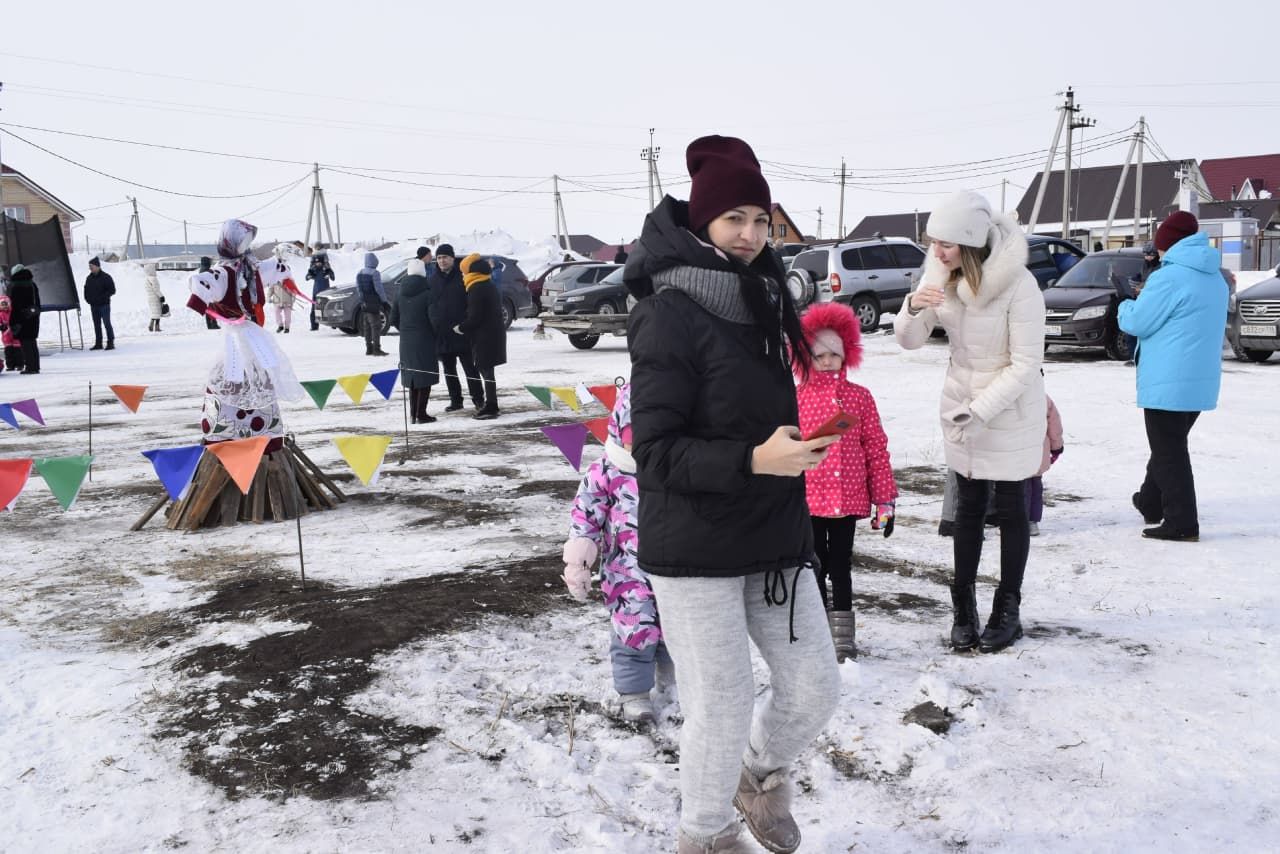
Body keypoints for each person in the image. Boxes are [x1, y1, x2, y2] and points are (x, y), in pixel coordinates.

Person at [625, 135, 842, 854]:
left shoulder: (767, 296)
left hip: (772, 527)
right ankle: (706, 833)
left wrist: (792, 452)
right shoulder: (669, 311)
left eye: (760, 219)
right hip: (692, 541)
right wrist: (755, 458)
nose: (750, 236)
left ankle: (757, 775)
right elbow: (652, 452)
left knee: (813, 687)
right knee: (720, 703)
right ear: (702, 225)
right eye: (733, 221)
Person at [894, 190, 1046, 655]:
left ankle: (1008, 607)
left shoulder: (1019, 286)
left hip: (1009, 412)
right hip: (962, 408)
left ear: (971, 242)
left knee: (1012, 507)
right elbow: (910, 341)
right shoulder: (940, 275)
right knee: (967, 508)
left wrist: (980, 410)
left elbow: (1025, 365)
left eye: (946, 244)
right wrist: (914, 306)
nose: (935, 253)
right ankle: (964, 607)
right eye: (932, 242)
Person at [562, 383, 675, 724]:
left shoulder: (677, 467)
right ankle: (634, 694)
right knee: (633, 632)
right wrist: (579, 561)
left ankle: (671, 682)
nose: (638, 445)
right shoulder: (607, 470)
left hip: (677, 569)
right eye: (632, 435)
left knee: (676, 630)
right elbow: (586, 517)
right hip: (627, 573)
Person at [795, 302, 898, 662]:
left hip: (847, 500)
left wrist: (885, 500)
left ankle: (842, 636)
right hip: (808, 501)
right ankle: (816, 631)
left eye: (834, 355)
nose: (826, 362)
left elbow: (876, 449)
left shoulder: (859, 398)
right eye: (819, 355)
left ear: (846, 355)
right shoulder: (796, 398)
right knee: (813, 565)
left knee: (841, 565)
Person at [1117, 210, 1227, 542]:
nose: (1157, 251)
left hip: (1168, 378)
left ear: (1170, 244)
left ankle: (1182, 523)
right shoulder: (1214, 276)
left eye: (1160, 245)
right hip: (1200, 380)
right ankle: (1150, 502)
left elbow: (1137, 323)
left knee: (1170, 450)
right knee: (1168, 445)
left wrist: (1125, 303)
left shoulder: (1168, 277)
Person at [187, 219, 302, 446]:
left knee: (259, 378)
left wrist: (281, 260)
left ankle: (264, 430)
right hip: (234, 338)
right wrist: (200, 297)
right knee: (232, 377)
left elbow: (272, 269)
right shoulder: (224, 273)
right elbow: (202, 283)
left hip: (253, 336)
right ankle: (227, 431)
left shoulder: (252, 268)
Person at [432, 245, 485, 413]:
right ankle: (456, 400)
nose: (442, 261)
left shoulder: (463, 278)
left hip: (462, 331)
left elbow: (472, 303)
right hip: (443, 333)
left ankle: (478, 399)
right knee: (449, 370)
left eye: (445, 257)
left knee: (470, 368)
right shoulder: (432, 280)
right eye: (439, 257)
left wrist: (467, 324)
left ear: (452, 258)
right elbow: (431, 305)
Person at [456, 254, 507, 420]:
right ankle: (491, 404)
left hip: (485, 335)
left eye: (464, 272)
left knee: (486, 369)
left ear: (471, 272)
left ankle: (491, 406)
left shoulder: (476, 287)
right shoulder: (486, 283)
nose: (463, 276)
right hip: (491, 333)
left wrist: (461, 327)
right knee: (487, 370)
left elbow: (475, 316)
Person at [390, 257, 440, 424]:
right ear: (423, 273)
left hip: (405, 341)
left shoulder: (399, 293)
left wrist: (405, 330)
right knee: (425, 377)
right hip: (424, 339)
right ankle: (421, 414)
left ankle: (413, 414)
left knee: (412, 377)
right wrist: (435, 334)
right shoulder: (428, 293)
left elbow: (393, 318)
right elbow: (434, 319)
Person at [1026, 392, 1064, 537]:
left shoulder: (1008, 395)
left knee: (1015, 490)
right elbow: (1055, 425)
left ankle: (1017, 521)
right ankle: (1032, 521)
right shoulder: (1042, 398)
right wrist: (1057, 446)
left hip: (1013, 454)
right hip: (1037, 452)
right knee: (1035, 488)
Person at [7, 265, 41, 374]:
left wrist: (13, 320)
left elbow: (14, 305)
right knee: (32, 341)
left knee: (25, 342)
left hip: (20, 317)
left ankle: (30, 367)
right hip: (33, 315)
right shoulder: (32, 284)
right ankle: (35, 366)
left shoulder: (14, 286)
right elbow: (38, 302)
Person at [355, 251, 389, 356]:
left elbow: (358, 289)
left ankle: (368, 348)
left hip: (364, 302)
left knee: (367, 326)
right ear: (375, 262)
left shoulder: (359, 273)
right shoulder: (375, 273)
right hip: (374, 302)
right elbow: (379, 289)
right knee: (376, 326)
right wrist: (384, 301)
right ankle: (376, 349)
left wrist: (362, 301)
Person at [84, 257, 116, 350]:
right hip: (93, 305)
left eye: (92, 266)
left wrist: (103, 297)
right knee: (96, 325)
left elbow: (112, 290)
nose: (90, 268)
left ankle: (110, 342)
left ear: (97, 266)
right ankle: (98, 343)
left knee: (107, 323)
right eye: (89, 266)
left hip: (104, 305)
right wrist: (88, 299)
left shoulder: (106, 277)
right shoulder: (89, 278)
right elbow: (86, 290)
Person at [305, 252, 335, 331]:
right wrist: (309, 276)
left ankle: (333, 324)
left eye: (319, 262)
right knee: (315, 309)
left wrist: (329, 275)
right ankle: (314, 326)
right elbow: (306, 277)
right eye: (316, 262)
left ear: (322, 262)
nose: (318, 264)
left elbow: (333, 277)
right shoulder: (313, 269)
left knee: (329, 308)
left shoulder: (326, 269)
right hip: (316, 293)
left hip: (326, 293)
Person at [199, 256, 219, 330]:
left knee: (208, 308)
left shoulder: (202, 270)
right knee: (212, 308)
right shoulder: (206, 271)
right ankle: (213, 323)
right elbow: (211, 280)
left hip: (205, 293)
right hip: (209, 292)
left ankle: (210, 324)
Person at [0, 294, 18, 373]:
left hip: (15, 334)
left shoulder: (13, 312)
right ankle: (10, 365)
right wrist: (1, 326)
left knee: (17, 350)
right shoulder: (0, 314)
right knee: (8, 351)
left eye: (6, 304)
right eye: (2, 305)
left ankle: (19, 364)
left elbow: (17, 320)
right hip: (6, 335)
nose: (4, 307)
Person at [144, 263, 164, 332]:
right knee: (157, 313)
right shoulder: (153, 278)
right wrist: (161, 296)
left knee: (154, 313)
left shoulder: (147, 279)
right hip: (155, 298)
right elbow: (156, 289)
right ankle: (156, 327)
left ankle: (151, 325)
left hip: (150, 298)